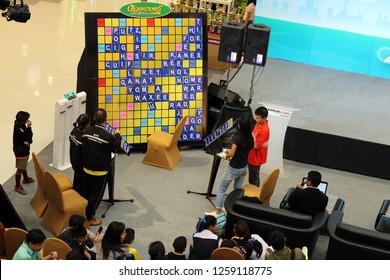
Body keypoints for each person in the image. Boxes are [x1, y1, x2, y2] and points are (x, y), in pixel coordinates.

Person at [205, 114, 254, 216]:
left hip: (234, 168)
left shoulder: (237, 138)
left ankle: (217, 211)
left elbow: (231, 154)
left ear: (240, 126)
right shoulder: (250, 137)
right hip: (244, 167)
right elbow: (242, 150)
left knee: (221, 188)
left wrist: (226, 154)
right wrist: (230, 151)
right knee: (237, 189)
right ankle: (235, 207)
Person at [80, 108, 122, 226]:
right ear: (106, 120)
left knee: (86, 193)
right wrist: (118, 134)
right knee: (96, 196)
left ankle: (82, 212)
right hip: (100, 172)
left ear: (94, 119)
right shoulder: (108, 136)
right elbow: (116, 145)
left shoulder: (86, 132)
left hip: (86, 169)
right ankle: (90, 218)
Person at [13, 111, 35, 195]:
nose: (28, 120)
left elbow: (28, 141)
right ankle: (17, 186)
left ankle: (25, 178)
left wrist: (27, 140)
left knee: (24, 165)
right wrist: (29, 128)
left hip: (24, 150)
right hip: (21, 152)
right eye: (27, 119)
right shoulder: (20, 130)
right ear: (23, 121)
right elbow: (30, 140)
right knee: (20, 168)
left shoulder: (19, 125)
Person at [248, 106, 269, 187]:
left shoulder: (264, 131)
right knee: (253, 176)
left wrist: (245, 143)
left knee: (254, 178)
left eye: (258, 118)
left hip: (256, 158)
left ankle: (255, 196)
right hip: (252, 155)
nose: (256, 120)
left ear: (264, 118)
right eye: (255, 117)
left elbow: (256, 146)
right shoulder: (258, 124)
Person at [69, 113, 91, 193]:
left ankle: (75, 189)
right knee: (80, 180)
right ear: (86, 125)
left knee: (77, 177)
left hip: (73, 160)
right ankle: (77, 196)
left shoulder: (73, 131)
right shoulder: (83, 138)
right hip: (80, 164)